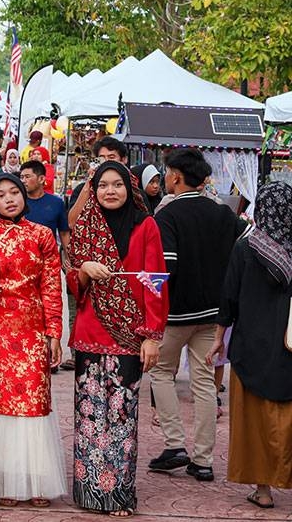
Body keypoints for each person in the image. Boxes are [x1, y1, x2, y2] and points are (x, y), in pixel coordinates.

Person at [67, 162, 168, 517]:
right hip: (89, 338)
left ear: (130, 188)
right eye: (103, 185)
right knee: (89, 417)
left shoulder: (146, 226)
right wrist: (82, 271)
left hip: (128, 338)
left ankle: (118, 495)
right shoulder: (85, 228)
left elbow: (155, 281)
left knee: (121, 418)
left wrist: (152, 336)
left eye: (118, 185)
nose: (110, 191)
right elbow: (71, 282)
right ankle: (89, 492)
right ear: (92, 190)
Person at [149, 148, 245, 482]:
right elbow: (244, 249)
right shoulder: (221, 213)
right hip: (213, 312)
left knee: (162, 373)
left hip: (176, 313)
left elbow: (167, 267)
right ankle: (203, 460)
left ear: (175, 175)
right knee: (204, 383)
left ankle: (175, 444)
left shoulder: (167, 215)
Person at [0, 173, 66, 508]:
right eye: (1, 195)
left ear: (24, 196)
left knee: (36, 403)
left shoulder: (42, 235)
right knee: (1, 403)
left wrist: (54, 333)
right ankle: (7, 482)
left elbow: (52, 288)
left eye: (15, 192)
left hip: (33, 325)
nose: (9, 199)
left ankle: (38, 480)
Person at [209, 182, 292, 511]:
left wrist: (218, 339)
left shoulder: (247, 247)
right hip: (288, 347)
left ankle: (263, 490)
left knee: (255, 422)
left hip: (250, 347)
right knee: (286, 419)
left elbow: (229, 297)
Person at [21, 160, 70, 252]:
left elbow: (64, 233)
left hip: (49, 258)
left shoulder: (56, 203)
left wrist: (69, 258)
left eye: (27, 177)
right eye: (22, 177)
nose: (23, 181)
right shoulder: (18, 203)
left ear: (41, 179)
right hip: (23, 257)